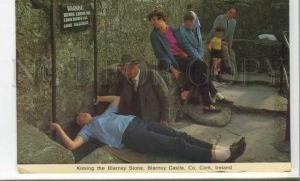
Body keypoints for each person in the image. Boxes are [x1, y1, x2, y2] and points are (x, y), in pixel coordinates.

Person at [50, 95, 246, 162]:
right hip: (132, 136)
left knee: (181, 135)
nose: (82, 114)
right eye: (78, 117)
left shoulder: (105, 114)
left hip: (139, 122)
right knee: (175, 144)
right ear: (80, 124)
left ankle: (221, 150)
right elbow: (72, 146)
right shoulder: (88, 131)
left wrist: (101, 98)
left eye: (82, 112)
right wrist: (59, 128)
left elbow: (117, 99)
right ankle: (223, 156)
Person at [147, 9, 220, 113]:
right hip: (170, 60)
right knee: (200, 66)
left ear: (162, 19)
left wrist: (186, 53)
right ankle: (206, 103)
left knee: (201, 66)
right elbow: (160, 54)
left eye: (154, 20)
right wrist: (172, 69)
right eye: (151, 21)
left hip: (181, 57)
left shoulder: (172, 29)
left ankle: (188, 91)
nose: (153, 23)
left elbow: (182, 43)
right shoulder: (154, 35)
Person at [177, 11, 233, 104]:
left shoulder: (196, 29)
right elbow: (188, 48)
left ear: (194, 21)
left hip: (196, 55)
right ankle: (216, 95)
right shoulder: (182, 31)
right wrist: (199, 58)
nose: (188, 25)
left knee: (203, 71)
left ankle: (215, 95)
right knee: (203, 68)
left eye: (190, 22)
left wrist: (200, 56)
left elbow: (199, 45)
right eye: (186, 22)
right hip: (186, 56)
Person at [117, 54, 170, 126]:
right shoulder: (126, 81)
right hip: (136, 123)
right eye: (122, 70)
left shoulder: (151, 75)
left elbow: (165, 97)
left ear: (134, 67)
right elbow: (123, 103)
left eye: (124, 69)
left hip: (153, 120)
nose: (123, 73)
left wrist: (164, 118)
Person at [208, 7, 237, 74]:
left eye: (233, 13)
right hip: (215, 39)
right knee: (225, 48)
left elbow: (231, 34)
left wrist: (230, 45)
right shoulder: (220, 18)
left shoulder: (234, 22)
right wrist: (220, 41)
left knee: (232, 52)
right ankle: (228, 67)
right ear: (227, 11)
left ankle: (233, 70)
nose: (231, 14)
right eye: (230, 12)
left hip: (224, 40)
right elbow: (214, 30)